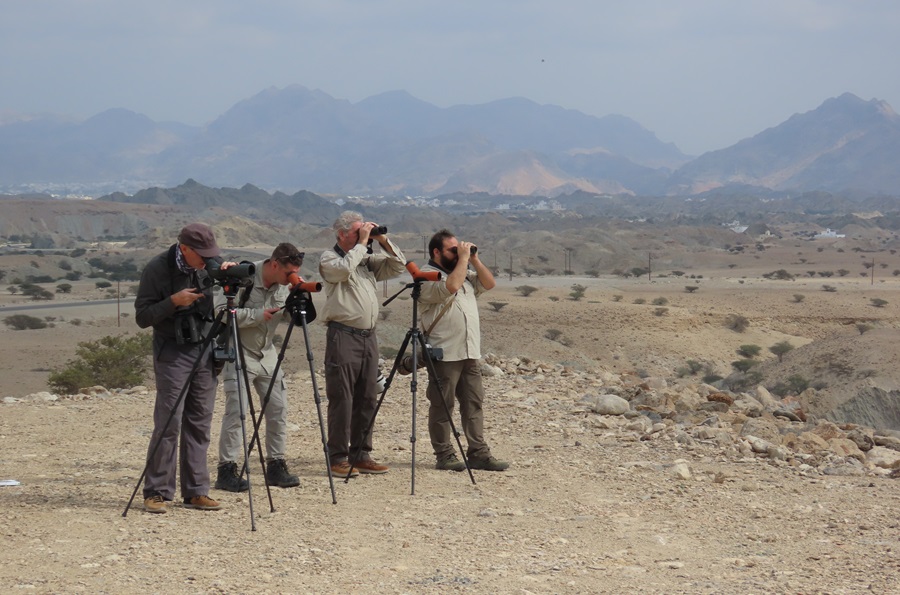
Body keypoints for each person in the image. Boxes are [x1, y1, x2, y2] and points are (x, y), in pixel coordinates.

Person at [134, 223, 235, 514]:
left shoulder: (209, 266)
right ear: (184, 248)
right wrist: (173, 302)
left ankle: (196, 492)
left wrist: (228, 276)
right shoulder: (157, 269)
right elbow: (142, 316)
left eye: (210, 254)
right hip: (173, 351)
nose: (206, 260)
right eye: (200, 254)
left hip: (204, 348)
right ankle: (157, 492)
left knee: (200, 421)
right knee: (168, 422)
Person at [319, 211, 406, 476]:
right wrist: (361, 244)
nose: (363, 237)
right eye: (357, 232)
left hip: (369, 337)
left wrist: (383, 240)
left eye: (363, 231)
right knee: (342, 397)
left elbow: (398, 265)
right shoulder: (329, 258)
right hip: (343, 335)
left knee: (367, 396)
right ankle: (337, 457)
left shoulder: (366, 261)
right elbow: (343, 270)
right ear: (342, 234)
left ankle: (361, 453)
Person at [214, 243, 305, 492]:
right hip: (239, 351)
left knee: (278, 408)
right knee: (237, 412)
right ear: (275, 264)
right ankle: (227, 469)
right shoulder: (242, 277)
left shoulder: (283, 286)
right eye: (289, 273)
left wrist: (298, 297)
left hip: (267, 353)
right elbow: (220, 312)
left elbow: (289, 317)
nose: (290, 278)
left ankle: (276, 465)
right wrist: (256, 315)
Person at [418, 230, 509, 472]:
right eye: (452, 249)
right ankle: (444, 454)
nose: (458, 253)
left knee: (473, 403)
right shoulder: (425, 276)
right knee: (442, 405)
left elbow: (489, 283)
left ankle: (478, 453)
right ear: (436, 252)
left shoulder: (466, 274)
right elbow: (451, 286)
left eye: (459, 248)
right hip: (445, 352)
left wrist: (475, 260)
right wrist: (463, 259)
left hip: (469, 351)